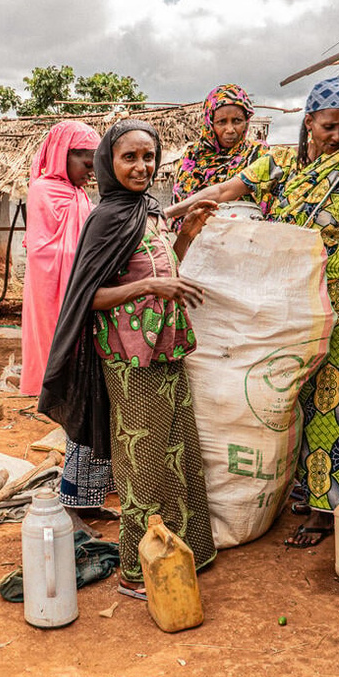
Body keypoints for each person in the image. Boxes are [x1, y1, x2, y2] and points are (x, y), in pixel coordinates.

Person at [167, 74, 339, 548]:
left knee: (337, 397)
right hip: (286, 290)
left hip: (335, 291)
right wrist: (169, 216)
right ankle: (306, 487)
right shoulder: (276, 163)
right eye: (328, 127)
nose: (336, 137)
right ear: (309, 120)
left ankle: (328, 509)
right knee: (286, 394)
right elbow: (228, 190)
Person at [40, 119, 218, 598]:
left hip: (167, 346)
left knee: (178, 448)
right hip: (129, 357)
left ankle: (185, 549)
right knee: (141, 460)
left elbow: (167, 266)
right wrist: (148, 286)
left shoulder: (149, 212)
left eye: (148, 157)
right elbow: (86, 296)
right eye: (129, 158)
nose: (142, 167)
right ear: (108, 163)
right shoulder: (106, 218)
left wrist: (190, 233)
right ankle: (138, 570)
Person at [15, 120, 116, 529]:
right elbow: (50, 255)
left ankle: (89, 498)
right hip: (60, 309)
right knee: (79, 401)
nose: (89, 167)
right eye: (82, 157)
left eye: (94, 160)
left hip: (85, 307)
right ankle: (72, 503)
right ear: (61, 154)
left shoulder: (79, 195)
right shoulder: (43, 191)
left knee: (95, 401)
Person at [171, 83, 269, 224]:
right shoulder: (192, 158)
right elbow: (179, 211)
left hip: (247, 238)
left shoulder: (258, 154)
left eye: (237, 121)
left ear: (246, 121)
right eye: (222, 122)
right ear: (210, 123)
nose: (230, 129)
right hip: (197, 239)